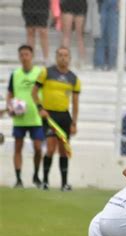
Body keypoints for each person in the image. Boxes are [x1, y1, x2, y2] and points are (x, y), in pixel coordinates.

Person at [32, 47, 81, 191]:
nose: (63, 58)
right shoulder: (46, 73)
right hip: (49, 116)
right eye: (60, 55)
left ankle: (64, 183)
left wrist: (74, 122)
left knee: (63, 149)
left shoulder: (74, 78)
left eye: (66, 55)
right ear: (56, 57)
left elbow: (76, 103)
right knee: (51, 147)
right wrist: (40, 108)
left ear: (69, 58)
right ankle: (45, 181)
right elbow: (34, 93)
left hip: (64, 116)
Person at [6, 45, 44, 188]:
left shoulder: (39, 73)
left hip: (35, 117)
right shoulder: (15, 74)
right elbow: (10, 93)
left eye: (26, 54)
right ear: (19, 57)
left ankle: (36, 175)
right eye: (21, 54)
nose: (24, 57)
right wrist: (10, 107)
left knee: (38, 147)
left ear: (32, 56)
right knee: (18, 147)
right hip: (19, 118)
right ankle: (18, 179)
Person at [22, 0, 50, 64]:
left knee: (43, 32)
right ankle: (31, 57)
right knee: (30, 31)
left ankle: (46, 58)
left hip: (43, 5)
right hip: (29, 4)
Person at [95, 0, 119, 70]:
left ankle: (111, 63)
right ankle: (99, 63)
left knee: (113, 35)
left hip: (114, 3)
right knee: (100, 34)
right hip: (101, 3)